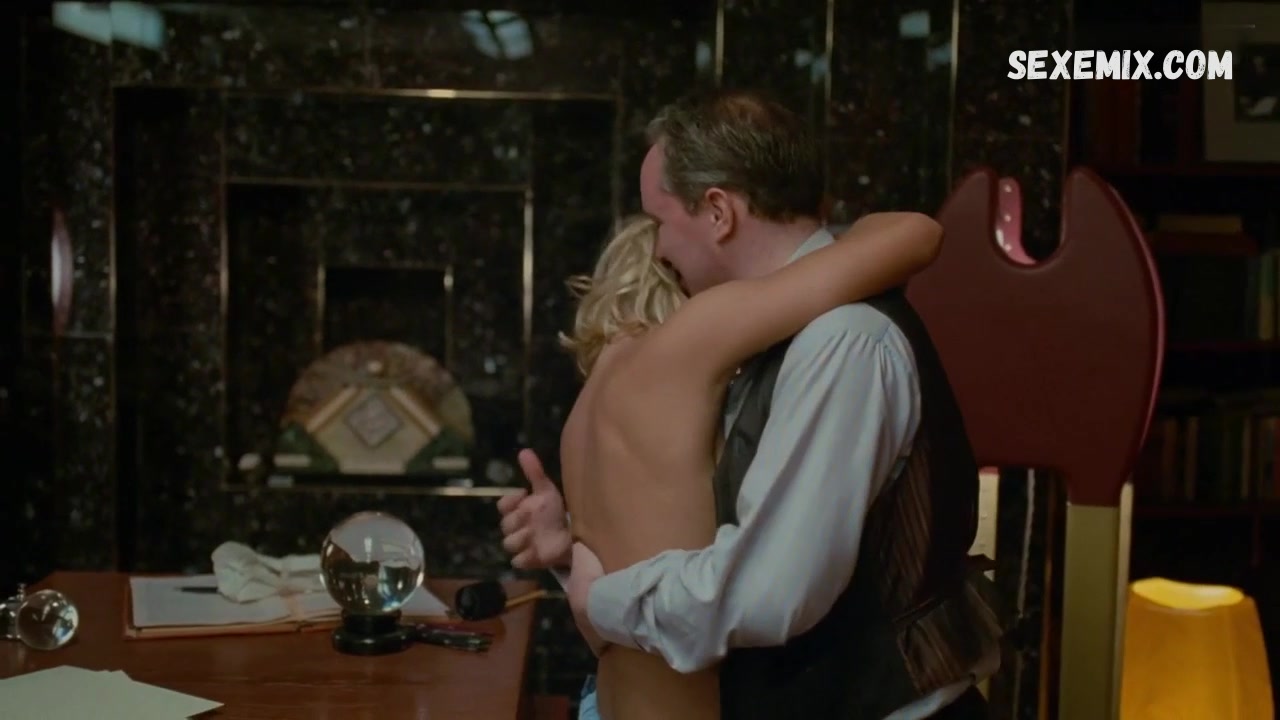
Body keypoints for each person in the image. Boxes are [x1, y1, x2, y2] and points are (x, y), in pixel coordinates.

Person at [500, 88, 1003, 720]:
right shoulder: (765, 334)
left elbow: (771, 593)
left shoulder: (841, 340)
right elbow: (733, 537)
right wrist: (576, 552)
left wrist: (603, 600)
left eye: (660, 221)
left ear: (718, 211)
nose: (657, 249)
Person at [549, 209, 941, 720]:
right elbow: (915, 235)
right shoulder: (687, 347)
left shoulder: (586, 414)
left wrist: (579, 575)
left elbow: (612, 597)